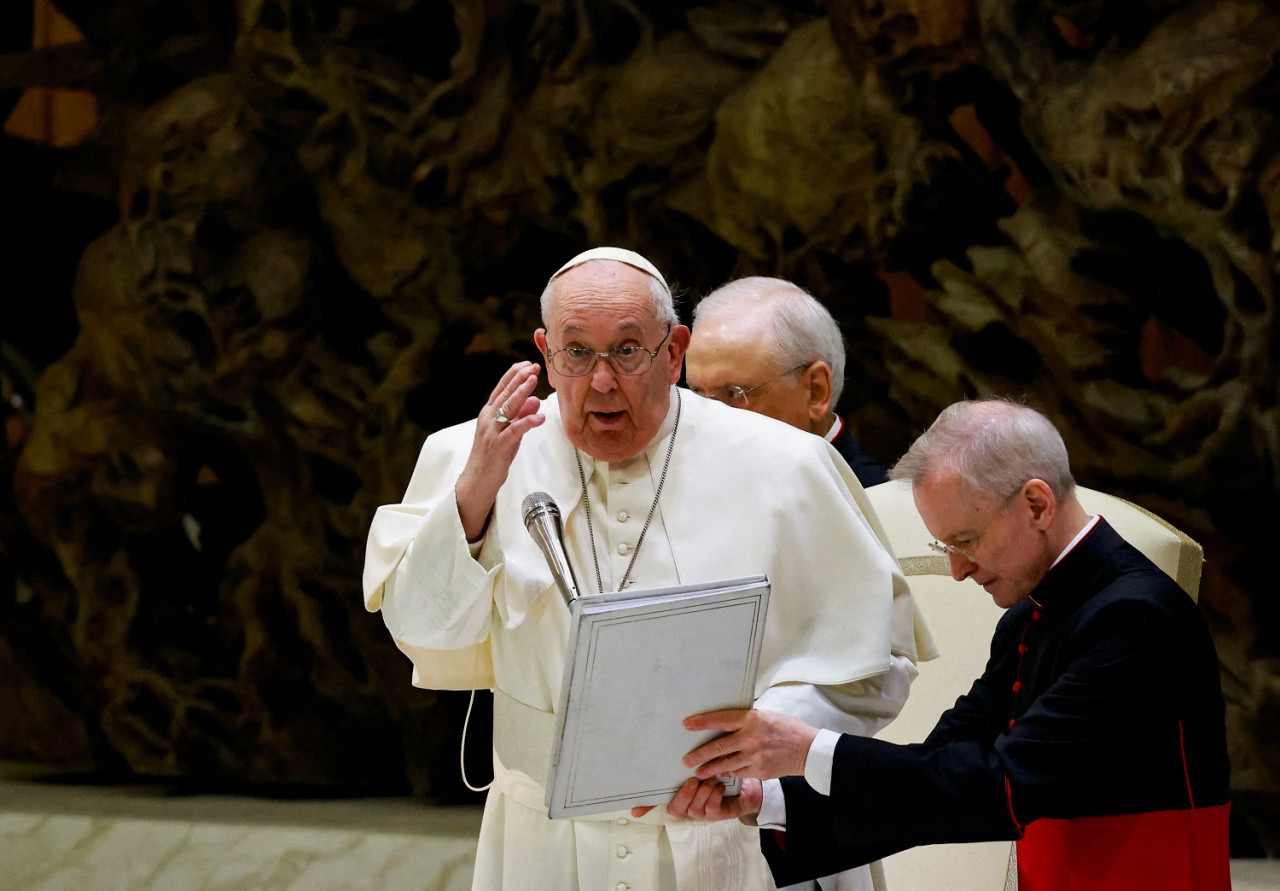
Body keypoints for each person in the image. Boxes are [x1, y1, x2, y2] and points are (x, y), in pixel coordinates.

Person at [362, 247, 931, 891]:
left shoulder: (787, 466)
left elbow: (877, 657)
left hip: (738, 836)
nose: (602, 381)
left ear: (675, 350)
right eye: (577, 353)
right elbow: (425, 634)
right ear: (546, 352)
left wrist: (760, 750)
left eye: (627, 350)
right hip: (548, 845)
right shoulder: (474, 455)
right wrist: (471, 498)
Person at [665, 399, 1231, 891]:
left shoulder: (1133, 617)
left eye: (966, 540)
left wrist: (809, 749)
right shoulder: (1033, 611)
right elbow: (938, 773)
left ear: (1036, 504)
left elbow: (1003, 785)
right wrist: (769, 802)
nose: (957, 570)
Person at [684, 276, 887, 488]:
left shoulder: (878, 505)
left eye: (734, 393)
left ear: (816, 391)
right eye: (697, 394)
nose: (707, 422)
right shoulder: (695, 484)